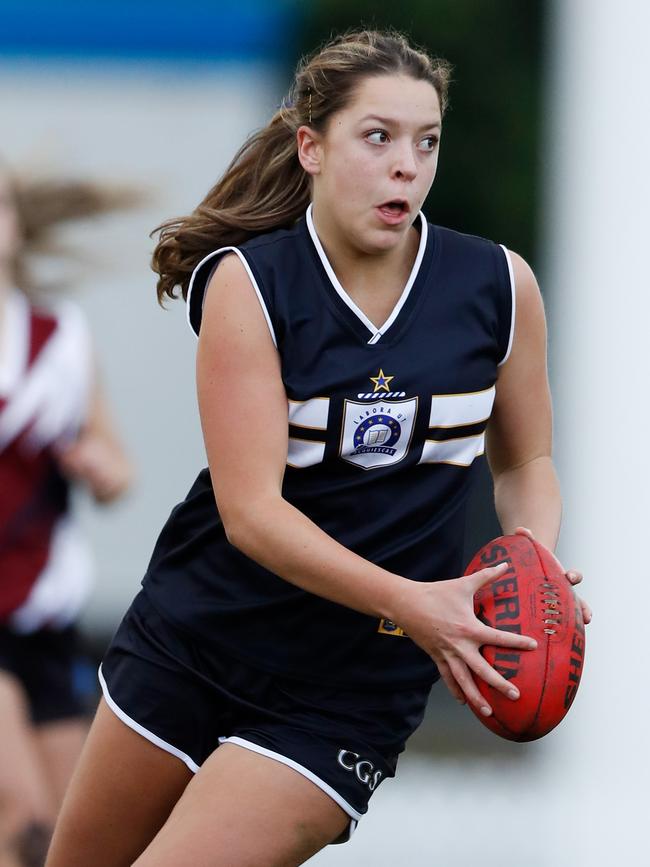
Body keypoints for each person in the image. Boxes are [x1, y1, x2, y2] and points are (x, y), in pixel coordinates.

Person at [45, 29, 591, 867]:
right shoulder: (250, 285)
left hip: (347, 690)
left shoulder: (498, 285)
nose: (407, 164)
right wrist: (418, 604)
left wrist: (530, 569)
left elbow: (525, 464)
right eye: (378, 137)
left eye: (427, 141)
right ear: (311, 147)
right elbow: (252, 515)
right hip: (198, 637)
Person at [0, 162, 133, 867]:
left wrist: (102, 470)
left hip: (43, 619)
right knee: (20, 813)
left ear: (16, 225)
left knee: (67, 843)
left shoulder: (60, 340)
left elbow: (115, 463)